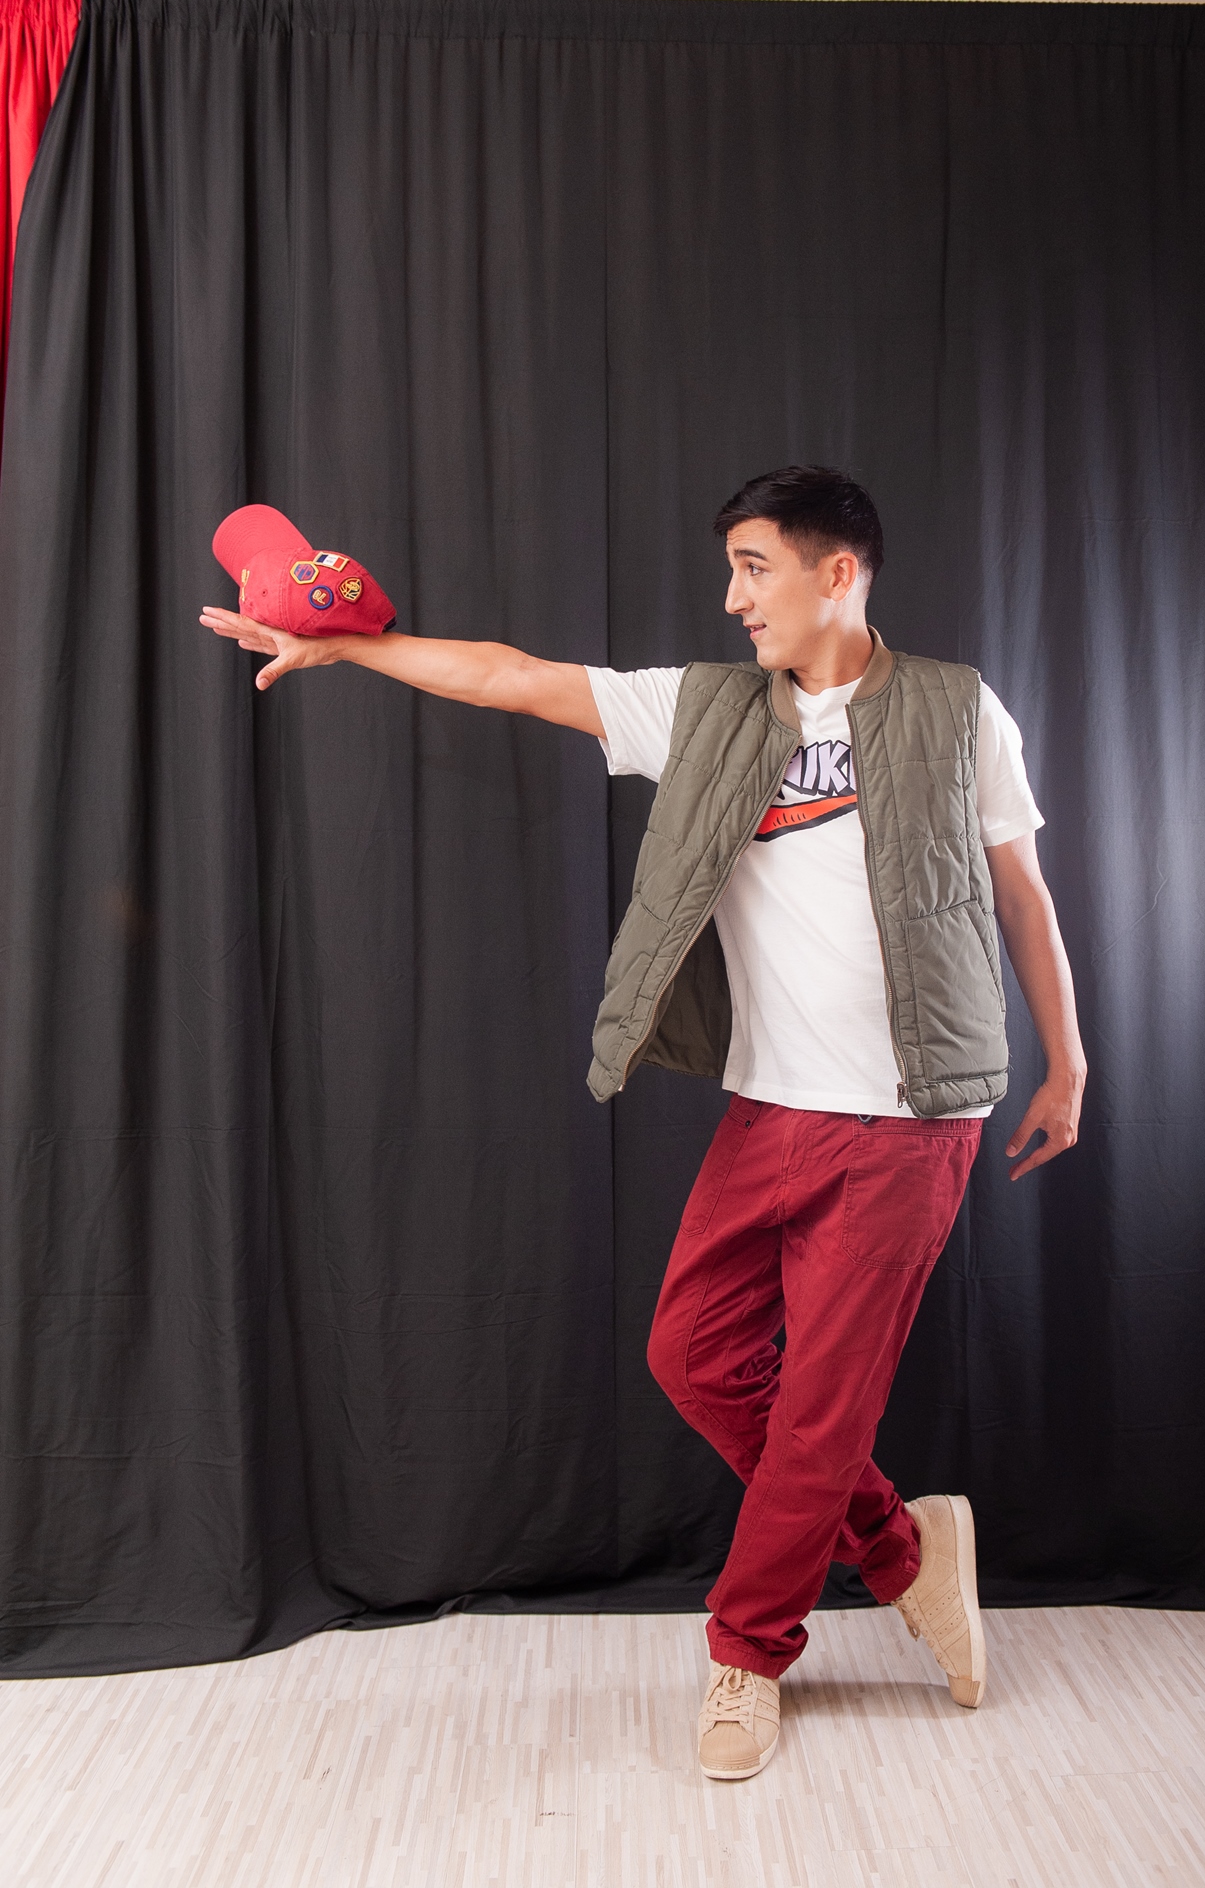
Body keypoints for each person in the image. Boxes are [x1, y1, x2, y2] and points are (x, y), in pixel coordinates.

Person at [201, 464, 1086, 1782]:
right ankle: (905, 1551)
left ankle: (748, 1655)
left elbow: (1023, 893)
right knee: (694, 1354)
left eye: (754, 568)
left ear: (838, 573)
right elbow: (511, 677)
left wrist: (1068, 1062)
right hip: (771, 1106)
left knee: (820, 1407)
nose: (734, 598)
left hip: (911, 1121)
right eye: (732, 570)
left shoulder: (961, 711)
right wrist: (351, 649)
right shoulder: (706, 709)